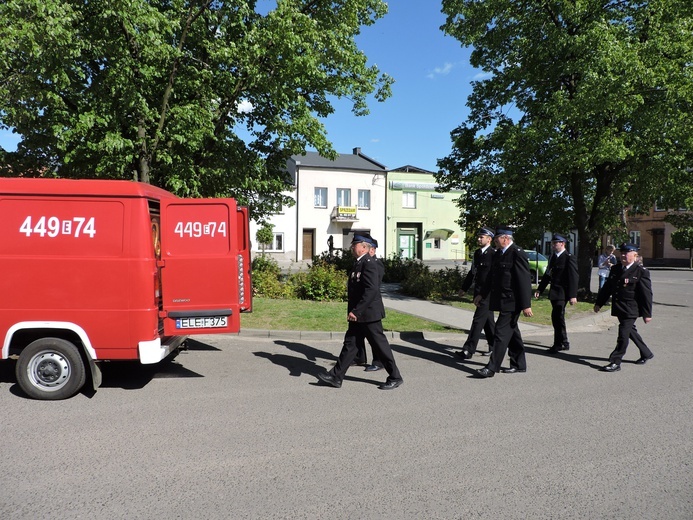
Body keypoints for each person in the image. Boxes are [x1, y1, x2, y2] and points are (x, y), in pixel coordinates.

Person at [317, 234, 404, 390]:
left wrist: (357, 311)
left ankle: (395, 376)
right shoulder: (358, 263)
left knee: (380, 346)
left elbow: (371, 290)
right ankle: (336, 377)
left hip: (368, 314)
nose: (352, 247)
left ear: (364, 247)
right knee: (350, 344)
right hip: (359, 314)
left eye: (355, 244)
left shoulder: (369, 263)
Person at [473, 227, 533, 378]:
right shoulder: (499, 253)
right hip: (502, 300)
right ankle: (519, 364)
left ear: (506, 239)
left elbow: (524, 281)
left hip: (513, 302)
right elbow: (492, 278)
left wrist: (526, 304)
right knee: (513, 333)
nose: (494, 241)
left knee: (500, 333)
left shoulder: (517, 253)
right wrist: (482, 294)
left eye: (497, 238)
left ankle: (492, 367)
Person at [593, 243, 654, 372]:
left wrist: (647, 313)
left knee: (623, 334)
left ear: (635, 255)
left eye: (626, 253)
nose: (623, 255)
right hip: (619, 307)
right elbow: (608, 288)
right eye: (622, 253)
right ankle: (646, 353)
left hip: (631, 309)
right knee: (630, 331)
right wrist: (599, 302)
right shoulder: (616, 269)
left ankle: (615, 361)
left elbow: (646, 294)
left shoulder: (641, 271)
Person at [534, 234, 578, 353]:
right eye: (553, 243)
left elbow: (573, 277)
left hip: (563, 293)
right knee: (558, 318)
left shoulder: (569, 257)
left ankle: (558, 344)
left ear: (563, 243)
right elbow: (548, 275)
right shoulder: (553, 257)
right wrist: (540, 289)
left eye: (556, 243)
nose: (553, 245)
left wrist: (573, 295)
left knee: (557, 317)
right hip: (554, 292)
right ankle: (564, 342)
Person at [456, 227, 496, 359]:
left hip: (488, 294)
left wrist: (484, 294)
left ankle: (468, 350)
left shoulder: (493, 254)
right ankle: (494, 345)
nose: (479, 239)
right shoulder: (478, 253)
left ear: (489, 239)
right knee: (488, 321)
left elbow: (493, 278)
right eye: (478, 237)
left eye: (482, 237)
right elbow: (473, 272)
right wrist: (464, 288)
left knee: (477, 321)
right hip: (478, 292)